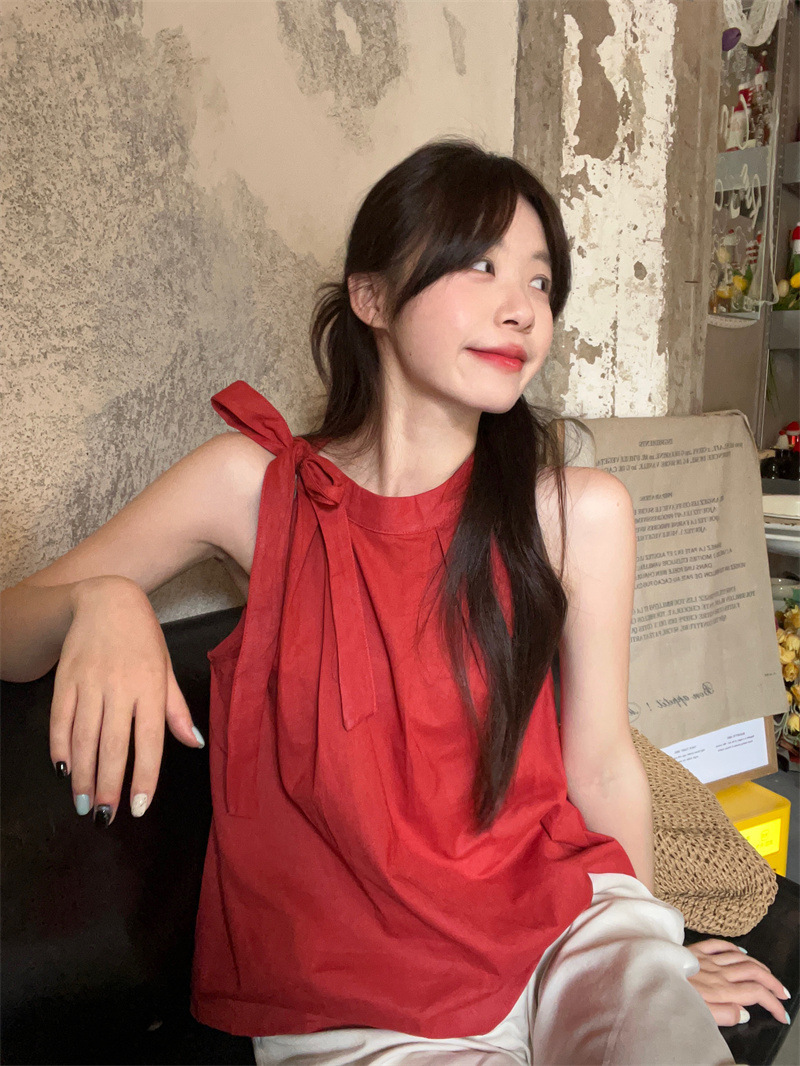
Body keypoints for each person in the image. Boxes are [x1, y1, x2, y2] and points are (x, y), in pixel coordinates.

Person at [1, 139, 791, 1065]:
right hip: (350, 987)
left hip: (569, 926)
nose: (522, 307)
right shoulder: (254, 488)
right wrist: (101, 602)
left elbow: (603, 764)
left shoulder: (578, 513)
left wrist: (653, 953)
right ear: (371, 298)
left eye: (541, 281)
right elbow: (12, 628)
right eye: (481, 264)